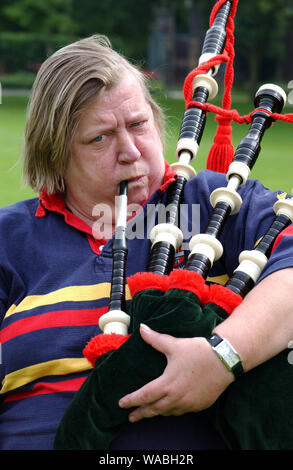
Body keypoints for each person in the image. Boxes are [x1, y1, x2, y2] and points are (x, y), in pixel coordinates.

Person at [0, 34, 293, 451]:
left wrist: (223, 356)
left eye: (138, 125)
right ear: (55, 153)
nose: (130, 152)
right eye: (99, 138)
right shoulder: (10, 239)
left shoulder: (220, 204)